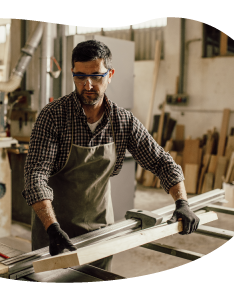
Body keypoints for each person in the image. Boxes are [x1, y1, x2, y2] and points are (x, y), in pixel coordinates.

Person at [22, 40, 200, 272]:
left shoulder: (122, 121)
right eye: (80, 76)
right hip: (54, 231)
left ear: (110, 74)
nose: (88, 85)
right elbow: (35, 175)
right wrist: (52, 227)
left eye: (96, 76)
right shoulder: (53, 117)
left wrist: (182, 202)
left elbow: (161, 161)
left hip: (100, 232)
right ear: (72, 74)